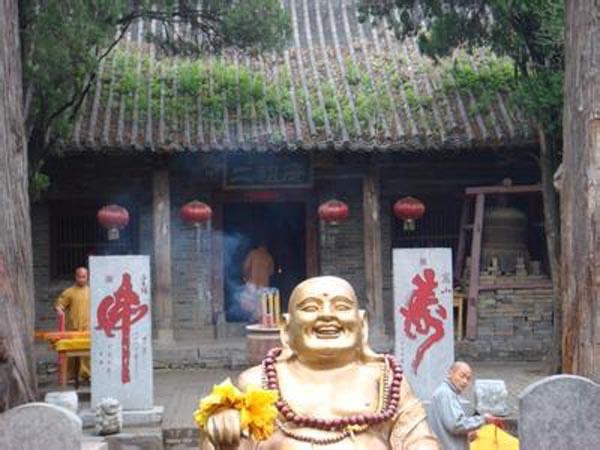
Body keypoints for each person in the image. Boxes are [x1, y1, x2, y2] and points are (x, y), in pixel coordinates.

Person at [202, 276, 441, 450]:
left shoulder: (386, 380)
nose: (327, 315)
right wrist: (223, 433)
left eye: (341, 307)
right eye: (310, 308)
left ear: (362, 324)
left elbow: (419, 438)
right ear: (286, 328)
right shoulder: (258, 381)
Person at [428, 362, 497, 450]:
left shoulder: (448, 393)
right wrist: (483, 419)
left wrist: (466, 435)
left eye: (468, 379)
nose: (465, 381)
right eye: (462, 376)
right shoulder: (445, 393)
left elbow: (450, 427)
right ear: (450, 373)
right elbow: (455, 425)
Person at [54, 266, 91, 382]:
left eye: (84, 277)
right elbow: (60, 304)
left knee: (87, 353)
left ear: (87, 277)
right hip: (73, 327)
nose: (81, 279)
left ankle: (87, 374)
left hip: (88, 327)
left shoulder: (91, 291)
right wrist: (59, 309)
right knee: (71, 353)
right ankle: (71, 375)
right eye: (79, 277)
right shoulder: (69, 292)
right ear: (75, 277)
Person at [240, 243, 274, 322]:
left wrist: (245, 277)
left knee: (249, 303)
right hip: (264, 284)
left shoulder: (252, 254)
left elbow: (246, 267)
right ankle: (259, 321)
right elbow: (271, 272)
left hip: (252, 283)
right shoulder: (268, 256)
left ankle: (252, 321)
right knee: (261, 305)